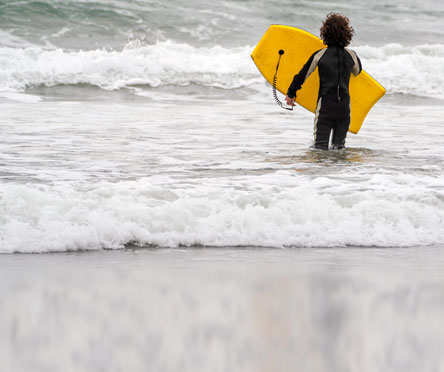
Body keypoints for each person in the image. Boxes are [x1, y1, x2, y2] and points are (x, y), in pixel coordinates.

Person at [285, 13, 362, 150]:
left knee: (319, 148)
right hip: (344, 108)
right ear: (347, 34)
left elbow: (301, 76)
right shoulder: (352, 55)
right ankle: (343, 171)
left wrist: (291, 94)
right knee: (339, 149)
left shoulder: (319, 55)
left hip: (325, 107)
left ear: (325, 33)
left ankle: (321, 171)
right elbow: (357, 71)